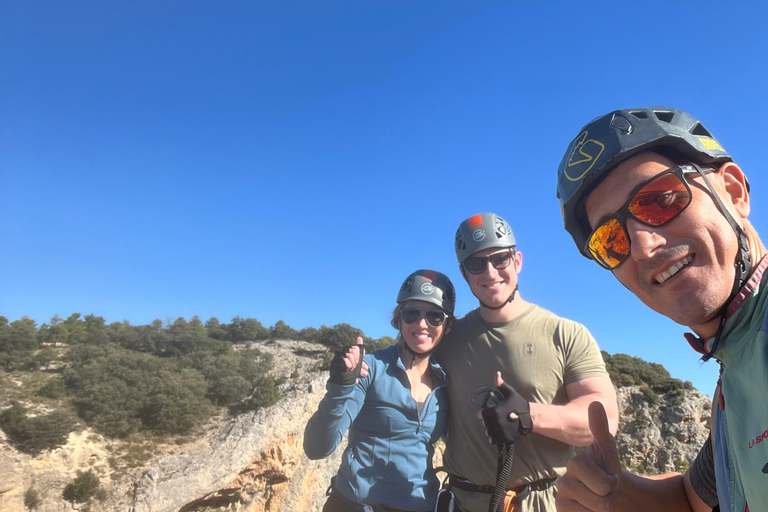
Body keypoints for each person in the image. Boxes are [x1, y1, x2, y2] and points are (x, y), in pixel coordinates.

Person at [554, 106, 768, 512]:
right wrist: (614, 495)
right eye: (611, 241)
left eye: (661, 200)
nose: (642, 247)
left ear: (734, 192)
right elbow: (692, 500)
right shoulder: (732, 379)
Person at [434, 213, 618, 512]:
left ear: (517, 261)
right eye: (476, 264)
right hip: (463, 503)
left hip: (546, 504)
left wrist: (530, 416)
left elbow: (604, 420)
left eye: (500, 259)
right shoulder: (446, 339)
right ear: (464, 272)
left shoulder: (566, 334)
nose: (490, 272)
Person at [304, 269, 456, 512]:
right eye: (411, 314)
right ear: (398, 320)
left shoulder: (446, 383)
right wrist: (340, 387)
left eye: (435, 317)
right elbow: (317, 448)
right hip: (355, 505)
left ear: (447, 326)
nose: (421, 324)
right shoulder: (370, 369)